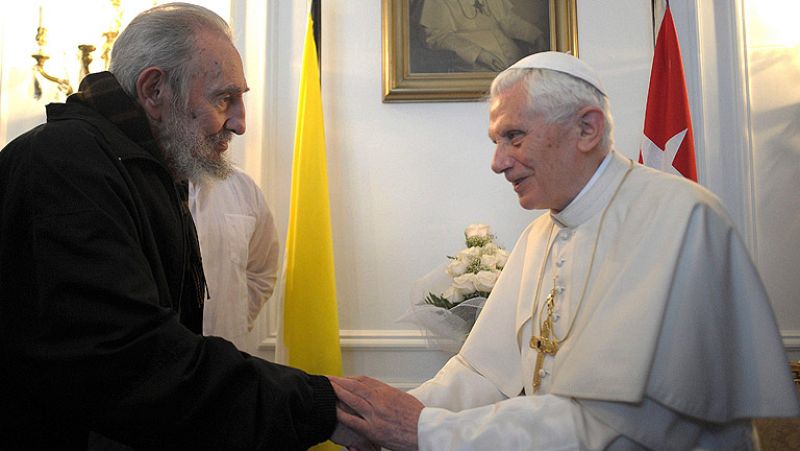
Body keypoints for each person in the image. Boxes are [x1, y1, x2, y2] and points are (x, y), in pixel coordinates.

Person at [331, 51, 800, 450]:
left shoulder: (681, 219)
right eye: (496, 141)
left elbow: (607, 427)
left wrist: (424, 430)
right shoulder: (541, 234)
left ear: (586, 129)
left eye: (514, 136)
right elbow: (484, 372)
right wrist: (385, 416)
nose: (498, 162)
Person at [0, 3, 364, 449]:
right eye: (223, 97)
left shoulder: (137, 169)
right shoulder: (64, 165)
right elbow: (126, 362)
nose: (241, 122)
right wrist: (317, 405)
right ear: (154, 90)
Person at [189, 167, 279, 351]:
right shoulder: (142, 186)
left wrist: (236, 320)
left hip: (229, 355)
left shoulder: (244, 188)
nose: (235, 136)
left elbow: (261, 272)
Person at [419, 0, 547, 72]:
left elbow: (509, 21)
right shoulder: (437, 2)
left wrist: (535, 35)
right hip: (472, 66)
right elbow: (437, 37)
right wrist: (479, 54)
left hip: (512, 63)